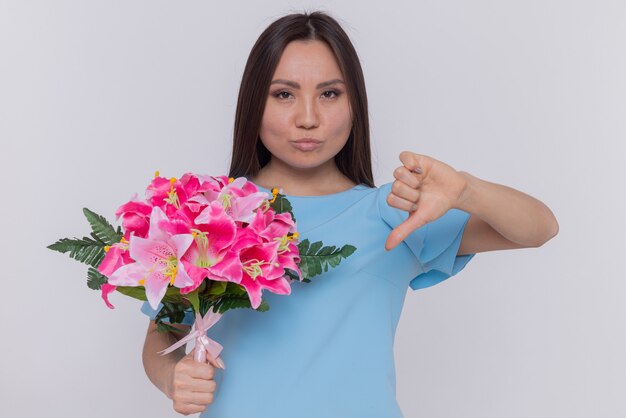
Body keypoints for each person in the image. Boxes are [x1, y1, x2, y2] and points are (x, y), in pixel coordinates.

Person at [141, 10, 559, 417]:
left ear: (354, 104)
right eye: (284, 94)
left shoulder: (396, 212)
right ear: (254, 102)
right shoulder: (209, 213)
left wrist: (468, 190)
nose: (308, 118)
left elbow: (539, 229)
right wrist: (172, 376)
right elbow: (165, 330)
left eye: (329, 94)